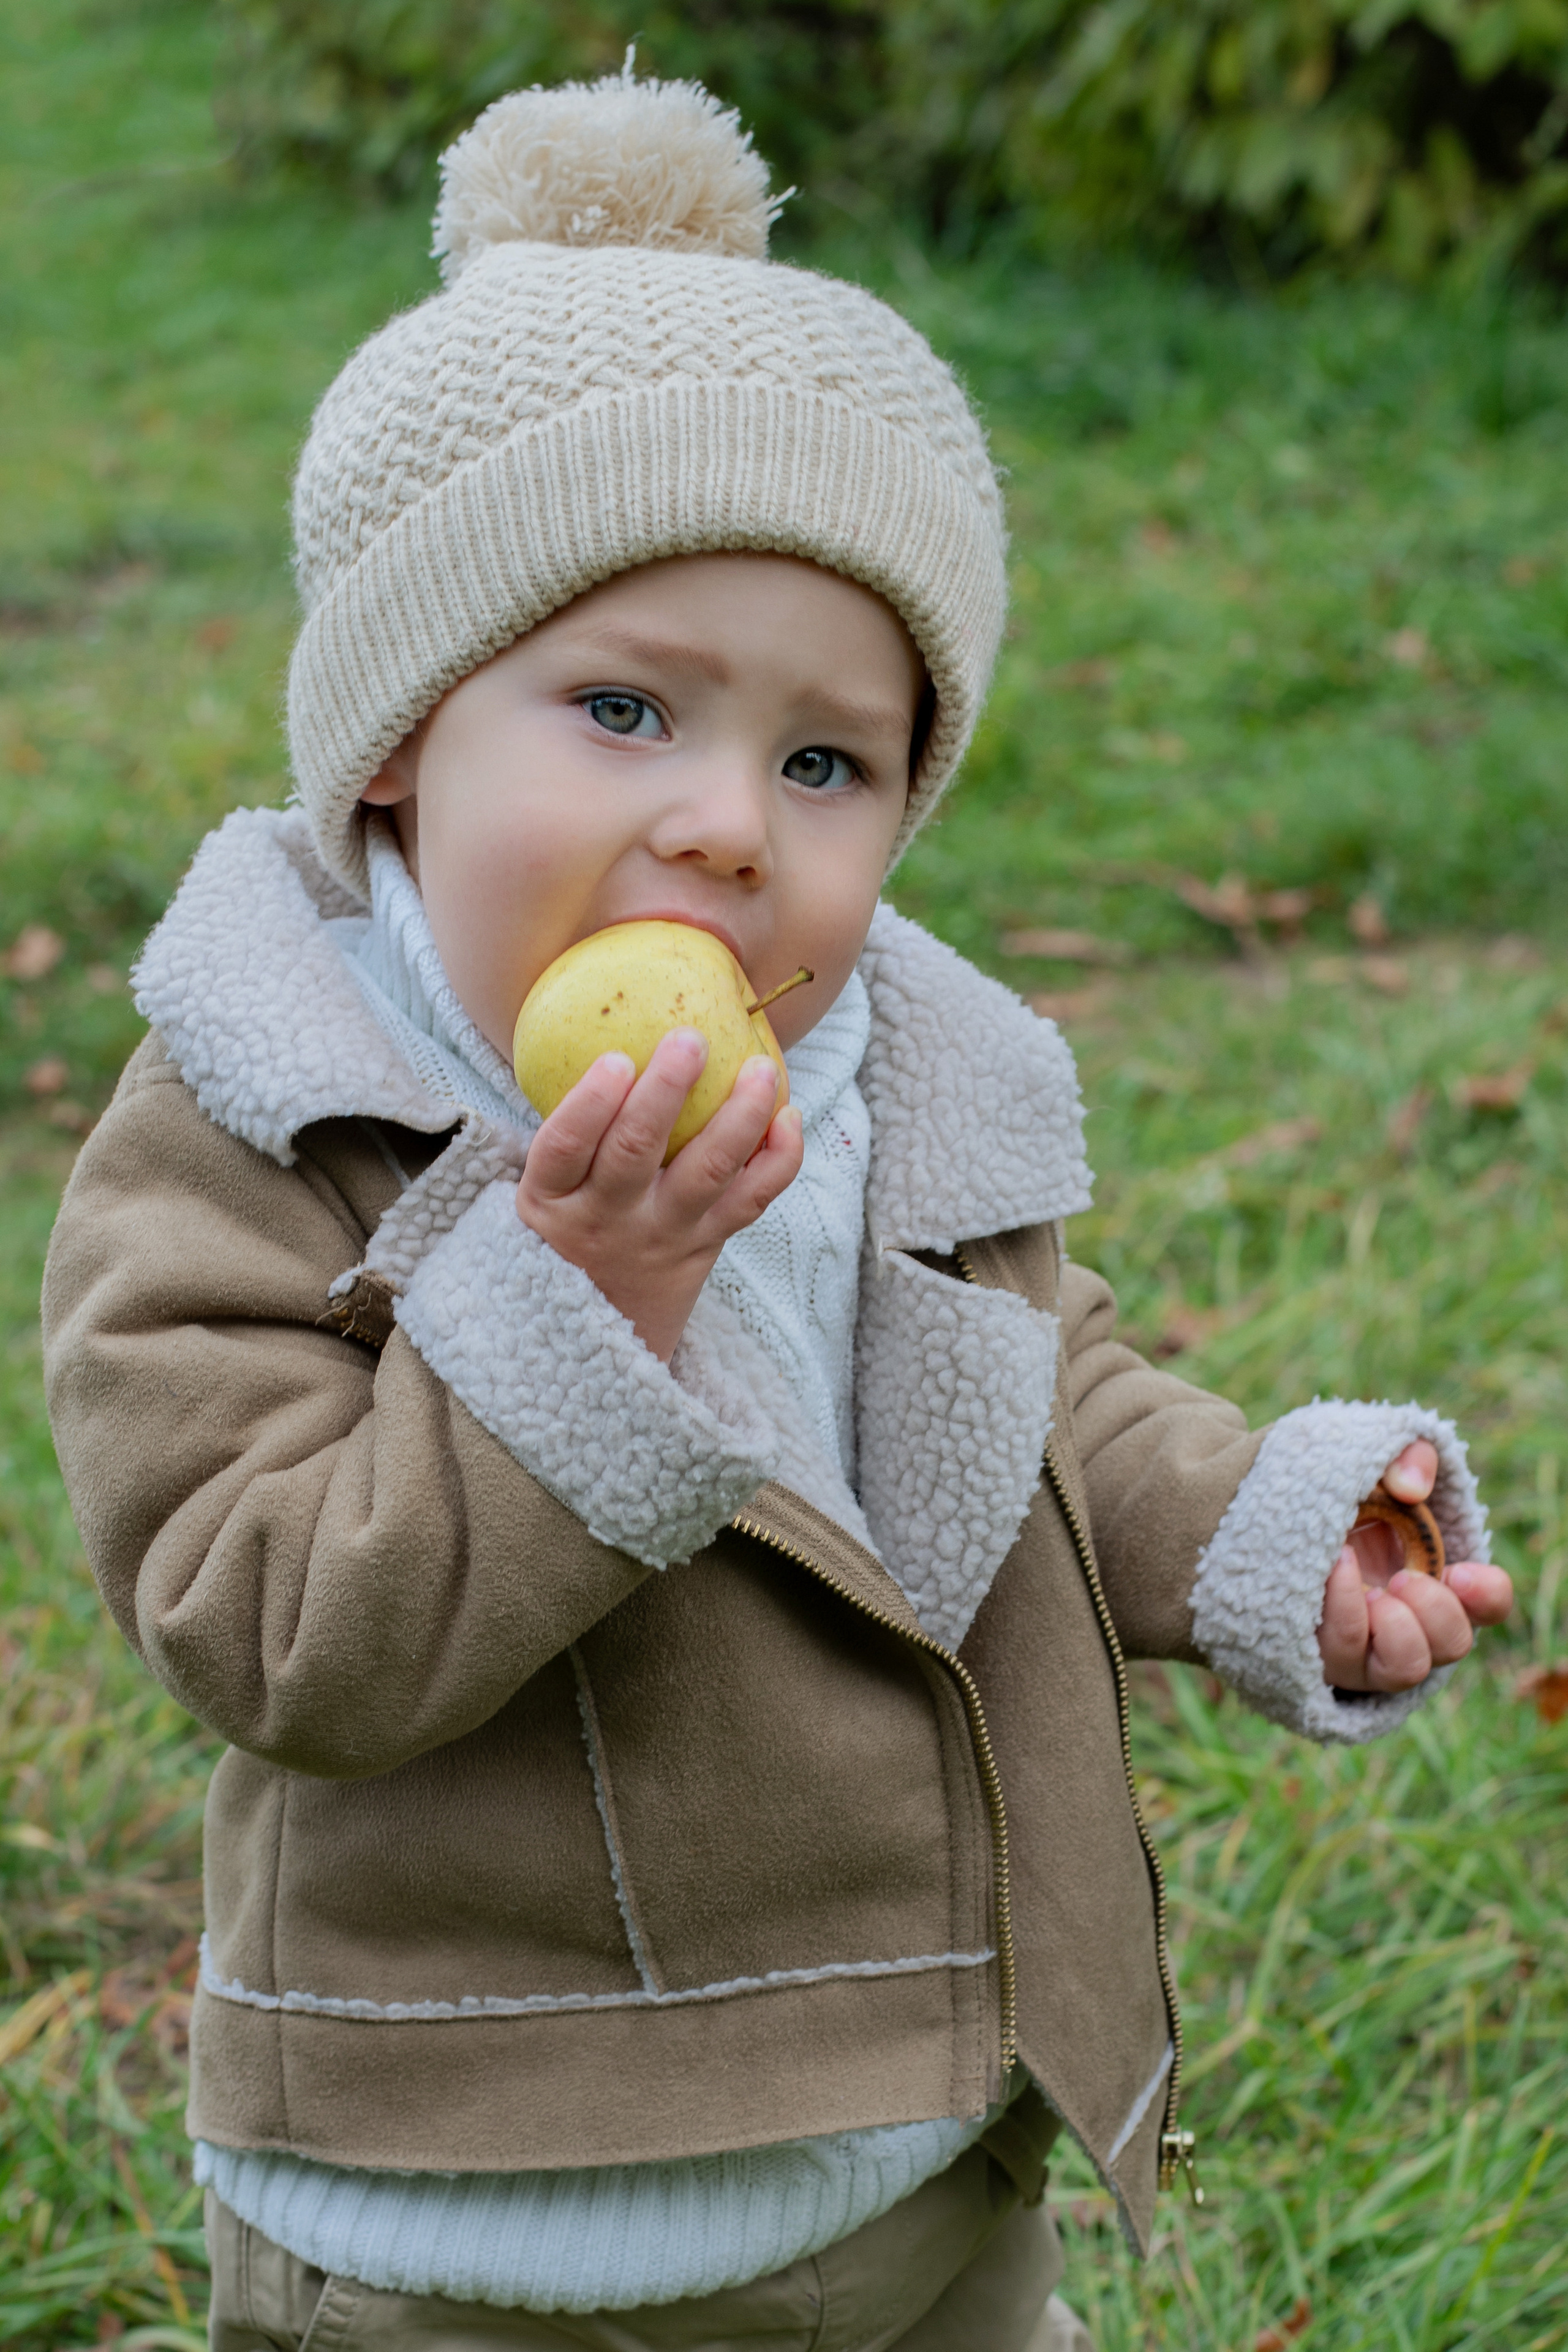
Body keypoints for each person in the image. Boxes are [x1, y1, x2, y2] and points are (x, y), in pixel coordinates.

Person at [41, 69, 1512, 2352]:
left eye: (826, 760)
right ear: (402, 730)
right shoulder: (265, 1120)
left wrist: (1261, 1534)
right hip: (478, 2216)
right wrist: (578, 1302)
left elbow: (1034, 1390)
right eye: (626, 708)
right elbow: (267, 1627)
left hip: (930, 2159)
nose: (733, 823)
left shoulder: (887, 1067)